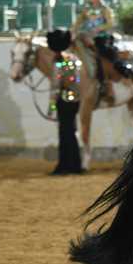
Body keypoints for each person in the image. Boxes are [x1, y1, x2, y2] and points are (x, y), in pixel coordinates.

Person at [71, 0, 129, 101]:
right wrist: (73, 30)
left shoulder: (105, 8)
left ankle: (115, 69)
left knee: (103, 51)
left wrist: (99, 28)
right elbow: (79, 21)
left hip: (102, 36)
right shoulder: (87, 8)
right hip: (89, 36)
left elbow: (110, 23)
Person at [46, 29, 84, 175]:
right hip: (75, 99)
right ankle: (75, 164)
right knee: (71, 132)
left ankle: (64, 165)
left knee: (64, 133)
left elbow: (55, 86)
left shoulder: (59, 62)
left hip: (63, 100)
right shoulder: (74, 59)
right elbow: (77, 80)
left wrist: (51, 106)